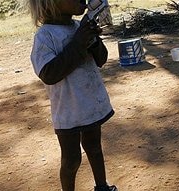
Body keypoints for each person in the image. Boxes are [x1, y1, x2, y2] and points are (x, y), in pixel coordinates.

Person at [29, 0, 117, 191]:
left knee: (94, 147)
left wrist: (93, 41)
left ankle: (102, 187)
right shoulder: (45, 36)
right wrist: (78, 42)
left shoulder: (79, 27)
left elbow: (101, 59)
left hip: (91, 103)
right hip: (69, 111)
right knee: (71, 159)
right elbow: (49, 74)